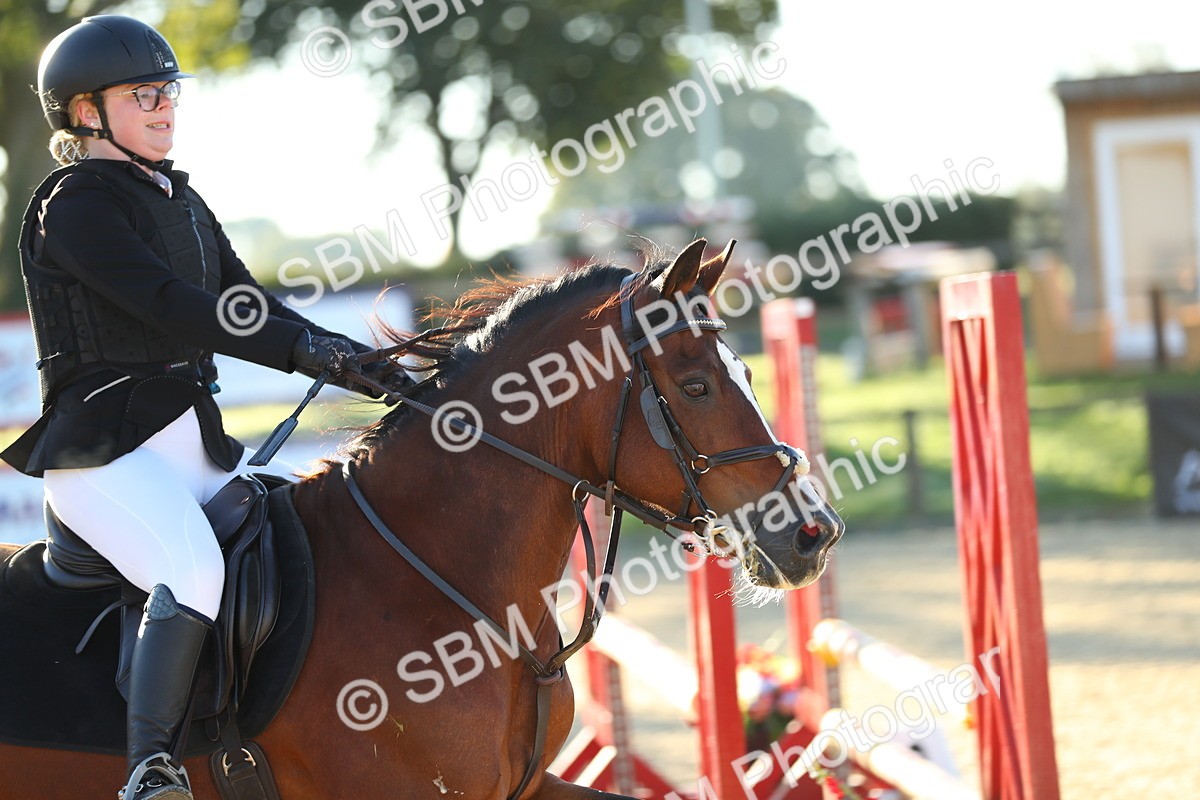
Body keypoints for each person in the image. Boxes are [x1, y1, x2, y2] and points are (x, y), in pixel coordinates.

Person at [0, 15, 406, 800]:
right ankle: (150, 770)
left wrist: (354, 359)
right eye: (144, 94)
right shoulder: (74, 203)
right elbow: (170, 306)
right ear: (87, 112)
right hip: (103, 461)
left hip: (191, 448)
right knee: (190, 567)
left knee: (304, 537)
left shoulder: (180, 198)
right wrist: (296, 354)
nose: (164, 107)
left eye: (170, 92)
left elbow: (244, 299)